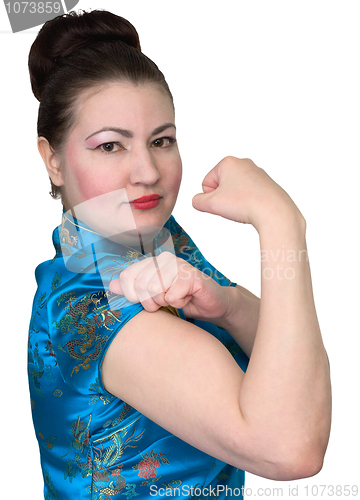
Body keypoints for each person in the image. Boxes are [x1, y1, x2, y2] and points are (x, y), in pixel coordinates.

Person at [28, 9, 331, 499]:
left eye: (161, 140)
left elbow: (293, 363)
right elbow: (292, 447)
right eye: (110, 147)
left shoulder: (155, 235)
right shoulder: (91, 303)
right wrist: (281, 222)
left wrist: (227, 306)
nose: (147, 171)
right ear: (53, 160)